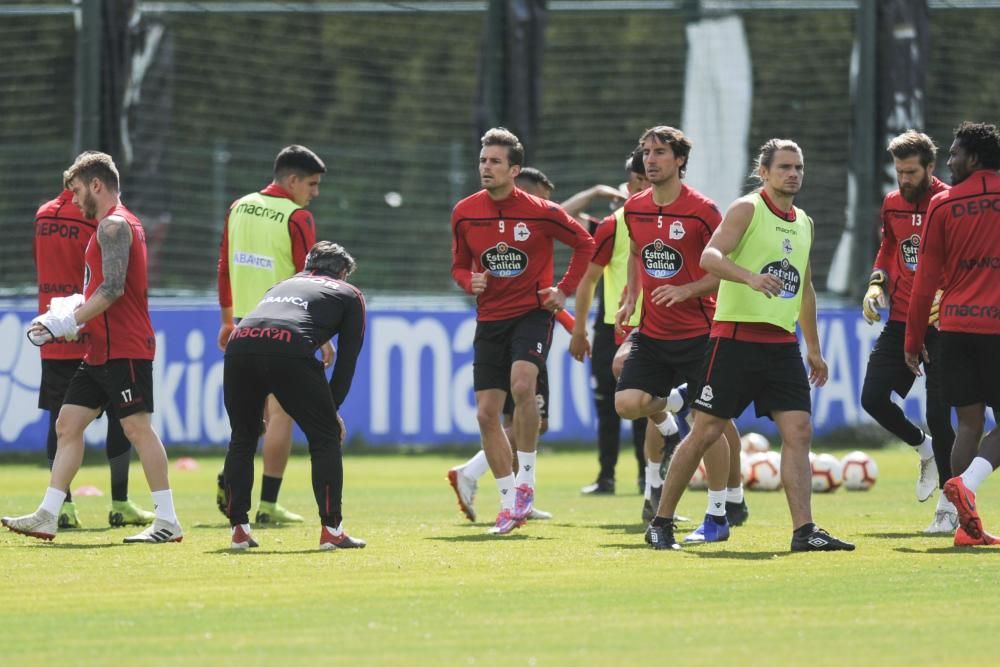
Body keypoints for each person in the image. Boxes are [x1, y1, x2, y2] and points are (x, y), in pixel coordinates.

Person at [645, 138, 854, 552]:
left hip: (781, 345)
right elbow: (709, 256)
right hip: (735, 340)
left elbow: (806, 288)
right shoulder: (748, 208)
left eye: (799, 167)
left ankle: (804, 531)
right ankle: (661, 522)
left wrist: (812, 347)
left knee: (799, 431)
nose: (793, 174)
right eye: (784, 167)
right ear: (764, 172)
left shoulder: (804, 222)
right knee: (704, 432)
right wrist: (750, 277)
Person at [4, 151, 182, 543]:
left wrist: (71, 320)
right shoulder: (113, 224)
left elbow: (113, 288)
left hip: (124, 346)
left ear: (96, 185)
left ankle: (167, 521)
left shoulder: (114, 226)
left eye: (78, 190)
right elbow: (99, 286)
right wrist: (70, 310)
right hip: (101, 348)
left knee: (137, 429)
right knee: (67, 424)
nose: (75, 198)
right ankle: (49, 513)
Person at [450, 127, 594, 535]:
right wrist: (468, 281)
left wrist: (563, 290)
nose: (486, 167)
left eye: (495, 161)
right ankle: (510, 501)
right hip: (489, 320)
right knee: (486, 414)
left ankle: (527, 482)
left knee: (524, 384)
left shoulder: (541, 211)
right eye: (482, 160)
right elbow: (459, 264)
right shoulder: (464, 211)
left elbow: (585, 244)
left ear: (514, 169)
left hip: (532, 313)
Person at [612, 126, 745, 542]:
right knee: (626, 403)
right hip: (653, 331)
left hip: (700, 332)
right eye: (647, 153)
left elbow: (725, 272)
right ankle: (673, 409)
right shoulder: (634, 209)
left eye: (661, 153)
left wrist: (688, 289)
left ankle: (718, 514)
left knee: (711, 426)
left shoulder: (703, 211)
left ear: (680, 161)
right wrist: (632, 294)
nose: (651, 160)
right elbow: (637, 252)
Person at [222, 241, 366, 550]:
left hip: (241, 343)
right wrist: (332, 411)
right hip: (289, 346)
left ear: (307, 265)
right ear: (342, 272)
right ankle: (332, 530)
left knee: (243, 437)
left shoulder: (281, 284)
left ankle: (238, 530)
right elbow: (347, 360)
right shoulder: (349, 294)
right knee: (325, 437)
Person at [216, 145, 333, 524]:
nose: (314, 193)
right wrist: (322, 333)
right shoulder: (298, 217)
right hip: (286, 326)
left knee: (246, 421)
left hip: (245, 324)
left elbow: (224, 265)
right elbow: (310, 276)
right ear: (293, 180)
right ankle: (267, 503)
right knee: (280, 414)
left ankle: (234, 489)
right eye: (311, 184)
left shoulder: (238, 207)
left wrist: (226, 318)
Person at [32, 180, 155, 530]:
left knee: (63, 418)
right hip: (90, 327)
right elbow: (104, 280)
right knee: (119, 419)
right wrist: (75, 316)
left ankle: (65, 508)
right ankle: (119, 503)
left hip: (60, 329)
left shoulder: (43, 216)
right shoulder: (98, 220)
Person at [446, 166, 561, 524]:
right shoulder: (504, 216)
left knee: (523, 415)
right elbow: (461, 266)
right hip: (509, 328)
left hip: (530, 326)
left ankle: (517, 495)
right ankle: (479, 473)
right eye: (543, 192)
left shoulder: (538, 221)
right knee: (527, 416)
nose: (547, 200)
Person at [905, 121, 1000, 547]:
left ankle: (963, 526)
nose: (949, 161)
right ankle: (969, 486)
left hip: (956, 327)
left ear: (974, 157)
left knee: (967, 423)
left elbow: (924, 282)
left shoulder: (942, 206)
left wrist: (912, 339)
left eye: (955, 153)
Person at [859, 130, 955, 533]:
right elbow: (888, 247)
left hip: (943, 323)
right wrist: (876, 283)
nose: (904, 180)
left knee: (938, 410)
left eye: (911, 171)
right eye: (899, 171)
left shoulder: (951, 203)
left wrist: (946, 298)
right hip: (900, 317)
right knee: (873, 397)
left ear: (931, 168)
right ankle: (924, 449)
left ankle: (949, 508)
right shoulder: (892, 203)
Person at [569, 151, 650, 497]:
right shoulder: (611, 224)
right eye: (645, 176)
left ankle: (650, 479)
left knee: (650, 407)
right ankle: (607, 477)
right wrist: (598, 191)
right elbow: (558, 217)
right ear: (634, 182)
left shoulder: (668, 219)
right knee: (607, 404)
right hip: (611, 326)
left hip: (653, 326)